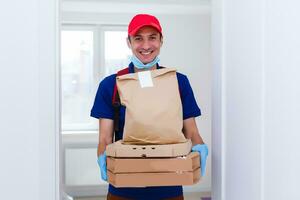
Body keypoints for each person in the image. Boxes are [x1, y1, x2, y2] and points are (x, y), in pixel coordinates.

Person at [91, 14, 208, 200]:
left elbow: (191, 132)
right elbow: (105, 138)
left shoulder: (178, 82)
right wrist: (103, 157)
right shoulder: (112, 85)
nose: (146, 46)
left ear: (161, 41)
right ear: (128, 42)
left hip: (169, 187)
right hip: (124, 188)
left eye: (152, 37)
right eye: (138, 38)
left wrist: (199, 147)